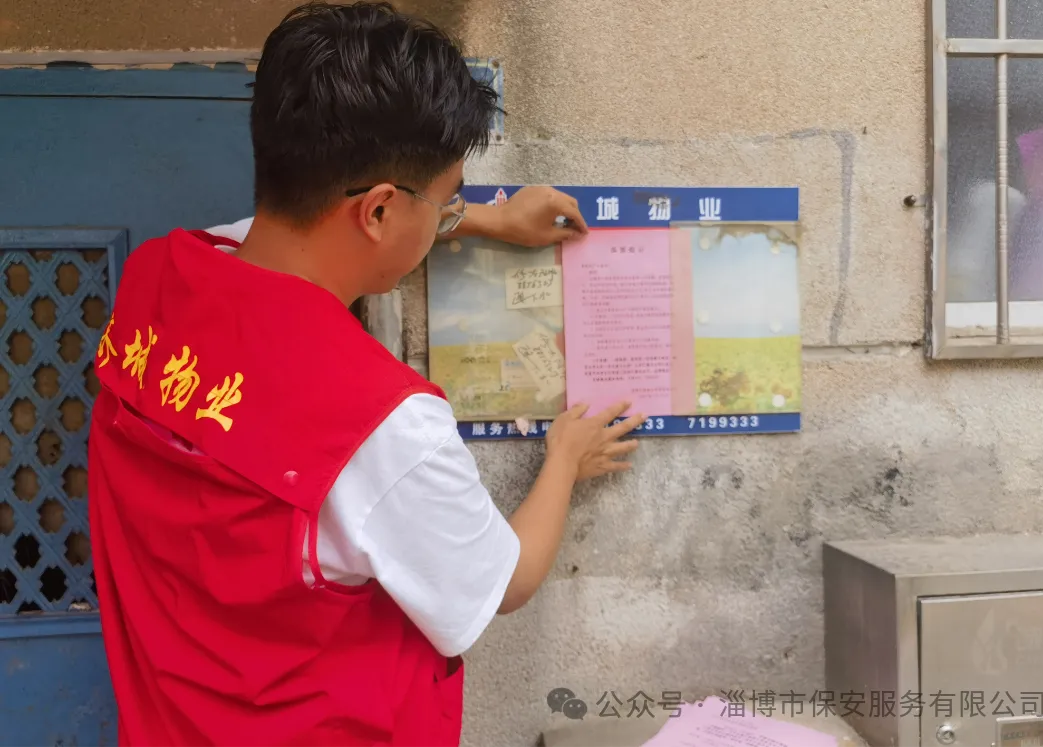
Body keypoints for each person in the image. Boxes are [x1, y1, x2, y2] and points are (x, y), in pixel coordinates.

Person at [87, 2, 646, 746]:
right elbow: (505, 583)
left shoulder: (158, 276)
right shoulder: (384, 424)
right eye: (447, 199)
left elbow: (291, 233)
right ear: (379, 211)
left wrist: (482, 216)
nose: (451, 213)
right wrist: (565, 460)